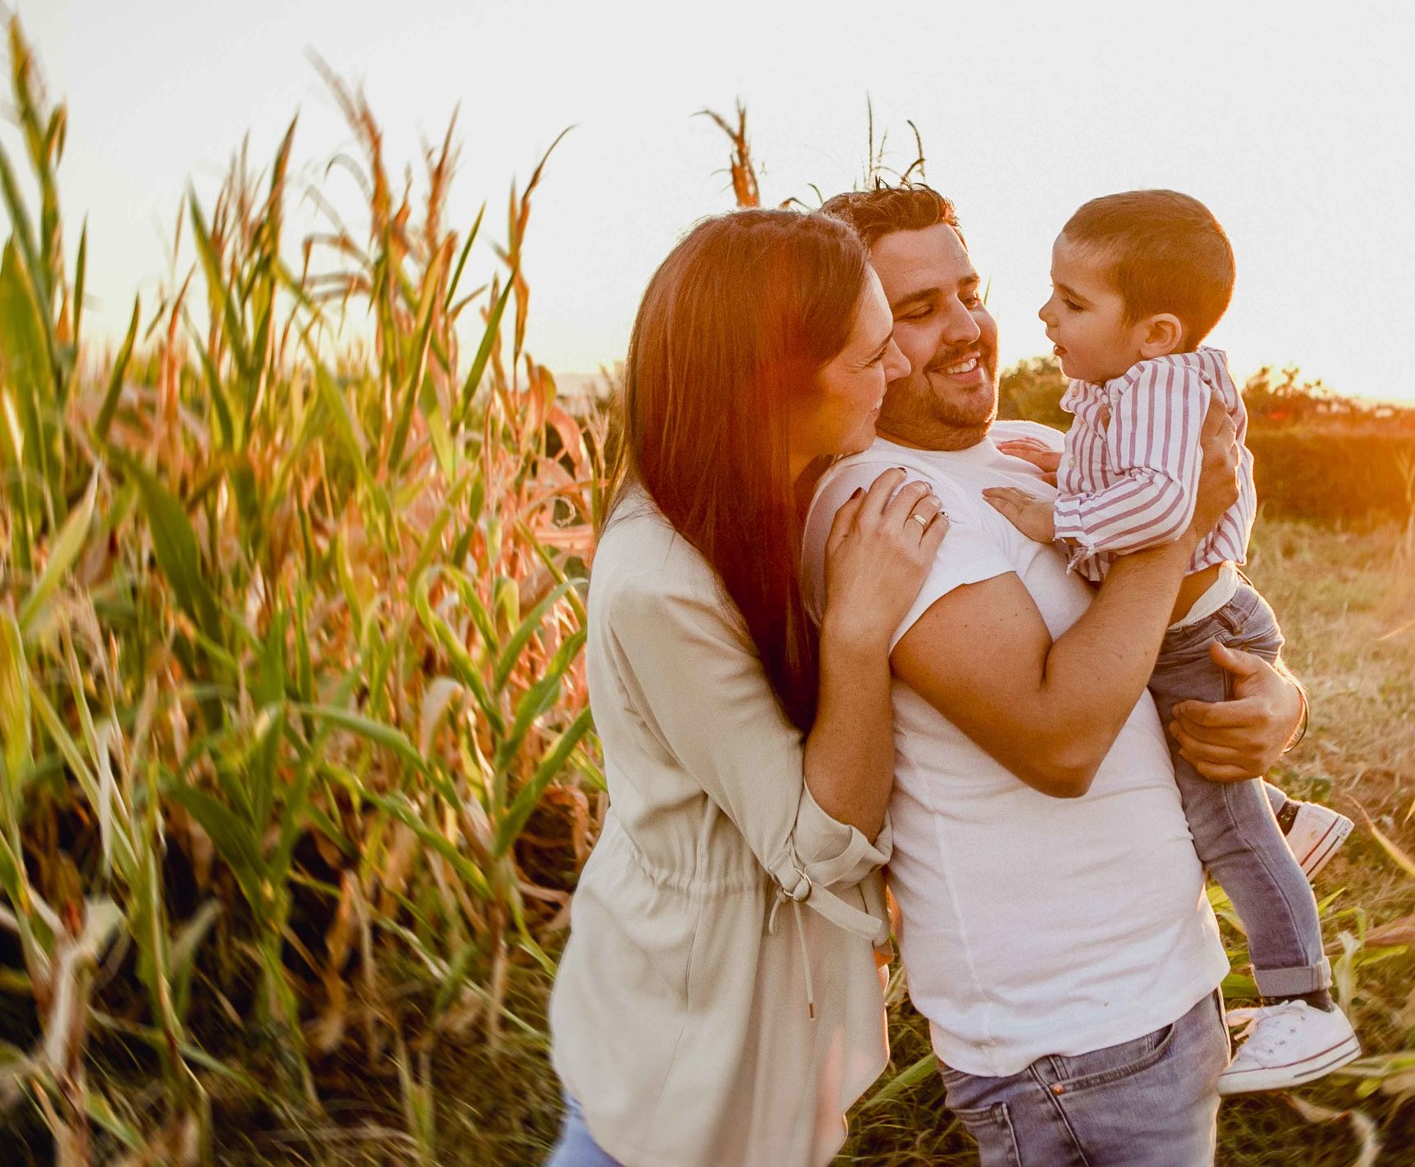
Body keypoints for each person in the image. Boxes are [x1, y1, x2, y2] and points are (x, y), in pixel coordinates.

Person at [798, 185, 1318, 1166]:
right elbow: (1059, 739)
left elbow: (1182, 620)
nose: (966, 329)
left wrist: (1276, 704)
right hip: (1067, 1035)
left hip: (1164, 984)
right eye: (918, 311)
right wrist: (1166, 527)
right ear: (852, 339)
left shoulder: (1033, 453)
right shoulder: (885, 509)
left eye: (969, 290)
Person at [546, 209, 950, 1167]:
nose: (896, 373)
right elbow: (809, 846)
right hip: (681, 1036)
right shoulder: (660, 580)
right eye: (873, 355)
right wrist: (856, 632)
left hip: (756, 1015)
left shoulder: (793, 489)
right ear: (779, 384)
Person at [981, 190, 1360, 1094]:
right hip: (1203, 621)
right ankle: (1291, 824)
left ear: (1154, 331)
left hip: (1196, 638)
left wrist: (1056, 513)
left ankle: (1301, 1004)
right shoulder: (1138, 385)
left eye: (1072, 302)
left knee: (1223, 826)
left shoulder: (1159, 386)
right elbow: (1141, 472)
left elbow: (1161, 506)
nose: (1043, 314)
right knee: (1227, 817)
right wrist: (1067, 462)